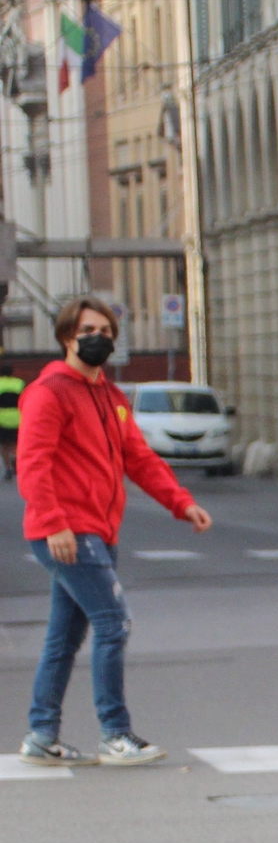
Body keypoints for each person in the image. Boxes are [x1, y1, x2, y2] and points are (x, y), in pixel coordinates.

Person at [16, 296, 212, 766]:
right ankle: (115, 734)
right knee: (113, 622)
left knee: (65, 637)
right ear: (67, 337)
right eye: (89, 330)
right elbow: (33, 463)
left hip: (98, 531)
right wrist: (54, 524)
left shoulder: (111, 397)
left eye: (106, 331)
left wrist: (180, 503)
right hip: (67, 530)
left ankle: (42, 735)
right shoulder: (50, 393)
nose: (99, 338)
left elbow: (138, 458)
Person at [0, 362, 22, 480]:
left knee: (3, 445)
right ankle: (15, 458)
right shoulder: (19, 383)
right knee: (15, 443)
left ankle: (8, 469)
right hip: (17, 417)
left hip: (2, 418)